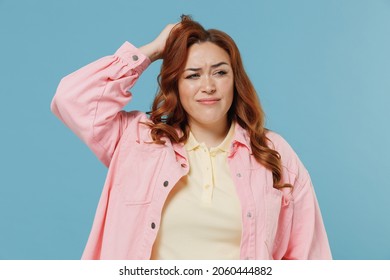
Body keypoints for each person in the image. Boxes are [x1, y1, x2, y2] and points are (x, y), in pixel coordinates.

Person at [51, 15, 332, 260]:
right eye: (193, 75)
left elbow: (310, 258)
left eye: (220, 72)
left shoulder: (273, 153)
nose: (208, 86)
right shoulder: (138, 140)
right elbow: (71, 99)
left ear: (235, 80)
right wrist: (152, 51)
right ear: (175, 84)